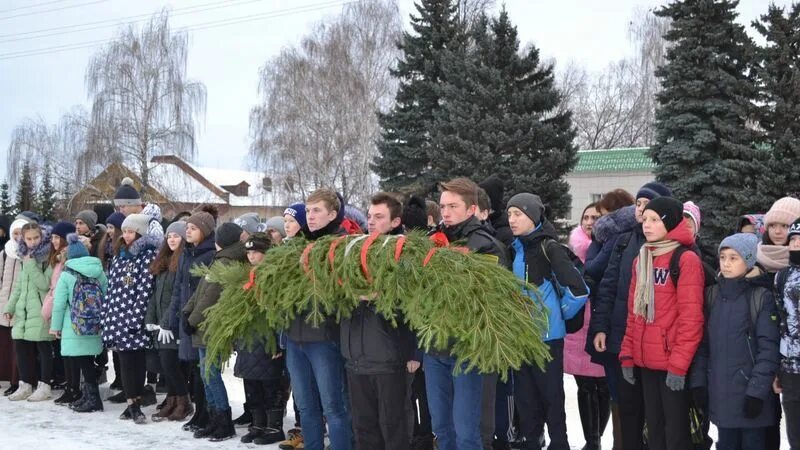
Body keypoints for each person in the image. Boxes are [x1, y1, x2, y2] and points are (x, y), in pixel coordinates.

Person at [426, 178, 509, 450]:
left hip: (467, 350)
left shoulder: (486, 245)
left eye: (453, 206)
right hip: (434, 348)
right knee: (440, 426)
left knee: (467, 430)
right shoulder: (431, 242)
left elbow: (493, 300)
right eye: (442, 206)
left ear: (472, 209)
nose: (445, 212)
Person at [591, 181, 672, 450]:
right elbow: (608, 286)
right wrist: (600, 327)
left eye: (647, 205)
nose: (640, 210)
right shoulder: (624, 241)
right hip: (621, 336)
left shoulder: (674, 248)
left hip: (656, 345)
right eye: (638, 204)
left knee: (654, 410)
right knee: (625, 406)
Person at [619, 197, 704, 450]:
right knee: (653, 430)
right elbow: (634, 314)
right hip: (646, 361)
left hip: (672, 363)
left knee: (676, 433)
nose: (647, 225)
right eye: (645, 219)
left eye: (655, 220)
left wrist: (679, 365)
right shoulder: (642, 259)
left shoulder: (685, 260)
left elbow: (691, 319)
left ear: (670, 222)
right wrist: (627, 354)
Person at [506, 193, 589, 450]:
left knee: (551, 399)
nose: (511, 219)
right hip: (520, 339)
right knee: (525, 401)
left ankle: (560, 444)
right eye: (509, 214)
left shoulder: (549, 247)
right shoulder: (514, 249)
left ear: (532, 215)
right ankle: (532, 443)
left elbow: (578, 289)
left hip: (547, 339)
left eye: (517, 214)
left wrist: (555, 316)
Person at [341, 192, 417, 450]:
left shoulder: (405, 254)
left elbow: (415, 305)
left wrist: (413, 352)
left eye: (379, 217)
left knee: (394, 426)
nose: (371, 222)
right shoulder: (354, 250)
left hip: (389, 359)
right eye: (370, 216)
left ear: (395, 222)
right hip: (356, 358)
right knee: (364, 428)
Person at [691, 233, 780, 450]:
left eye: (734, 258)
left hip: (751, 399)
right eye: (723, 257)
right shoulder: (711, 296)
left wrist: (756, 392)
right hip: (721, 396)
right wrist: (699, 383)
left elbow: (768, 350)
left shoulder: (761, 297)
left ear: (748, 261)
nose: (726, 264)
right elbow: (703, 347)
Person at [285, 188, 353, 450]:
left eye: (317, 211)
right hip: (295, 337)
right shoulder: (298, 243)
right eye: (308, 210)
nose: (310, 216)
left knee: (333, 406)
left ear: (333, 214)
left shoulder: (342, 244)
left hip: (325, 338)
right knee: (306, 406)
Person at [183, 222, 246, 442]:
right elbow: (201, 289)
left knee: (211, 375)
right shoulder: (220, 259)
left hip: (211, 326)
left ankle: (223, 421)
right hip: (203, 326)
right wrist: (187, 311)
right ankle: (213, 419)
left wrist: (192, 319)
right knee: (206, 375)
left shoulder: (226, 261)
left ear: (222, 240)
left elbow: (210, 296)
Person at [102, 213, 160, 424]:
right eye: (124, 231)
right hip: (117, 317)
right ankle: (132, 405)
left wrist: (135, 318)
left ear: (140, 232)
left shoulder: (148, 256)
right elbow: (111, 288)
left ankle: (135, 401)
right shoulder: (119, 255)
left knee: (138, 362)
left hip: (135, 318)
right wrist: (106, 314)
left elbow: (145, 289)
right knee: (125, 361)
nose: (126, 235)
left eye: (130, 231)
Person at [236, 232, 288, 445]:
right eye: (249, 252)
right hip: (249, 339)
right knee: (251, 382)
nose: (251, 256)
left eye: (256, 252)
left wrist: (277, 340)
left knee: (270, 384)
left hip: (267, 339)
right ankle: (257, 424)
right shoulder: (247, 276)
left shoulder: (275, 277)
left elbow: (279, 311)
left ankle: (273, 426)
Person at [170, 206, 218, 433]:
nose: (188, 232)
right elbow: (179, 287)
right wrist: (176, 315)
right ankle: (199, 413)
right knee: (194, 368)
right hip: (187, 317)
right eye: (187, 227)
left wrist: (193, 318)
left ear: (205, 231)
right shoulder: (187, 253)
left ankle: (206, 413)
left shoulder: (210, 256)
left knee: (203, 371)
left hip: (202, 321)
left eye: (193, 228)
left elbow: (206, 292)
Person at [566, 203, 609, 450]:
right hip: (578, 325)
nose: (590, 221)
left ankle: (598, 438)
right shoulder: (573, 252)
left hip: (600, 324)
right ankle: (591, 442)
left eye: (596, 217)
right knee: (583, 386)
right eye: (586, 217)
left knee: (602, 386)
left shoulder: (610, 250)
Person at [49, 233, 108, 413]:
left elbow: (59, 304)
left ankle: (94, 400)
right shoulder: (99, 272)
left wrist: (55, 327)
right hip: (95, 324)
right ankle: (88, 396)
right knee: (88, 361)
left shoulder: (67, 275)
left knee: (84, 363)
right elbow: (106, 297)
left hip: (74, 325)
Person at [145, 221, 193, 422]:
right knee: (167, 366)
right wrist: (151, 318)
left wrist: (167, 321)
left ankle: (184, 403)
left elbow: (178, 296)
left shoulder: (183, 260)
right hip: (161, 324)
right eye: (169, 236)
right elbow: (156, 294)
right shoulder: (163, 260)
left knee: (170, 365)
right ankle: (173, 401)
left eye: (176, 236)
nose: (172, 239)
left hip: (174, 323)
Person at [4, 222, 55, 402]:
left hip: (40, 310)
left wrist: (32, 264)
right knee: (21, 347)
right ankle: (25, 384)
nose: (33, 242)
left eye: (36, 238)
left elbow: (44, 284)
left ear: (42, 237)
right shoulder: (24, 256)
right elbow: (19, 286)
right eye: (29, 238)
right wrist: (9, 307)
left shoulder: (47, 256)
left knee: (43, 348)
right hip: (23, 311)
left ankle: (45, 385)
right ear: (23, 239)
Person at [774, 218, 800, 450]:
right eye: (793, 240)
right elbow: (780, 323)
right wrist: (779, 368)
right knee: (795, 435)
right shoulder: (781, 277)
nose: (795, 244)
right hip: (791, 369)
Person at [43, 221, 75, 401]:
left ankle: (71, 385)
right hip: (56, 307)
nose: (54, 240)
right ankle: (66, 382)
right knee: (61, 348)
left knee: (67, 350)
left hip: (64, 308)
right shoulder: (56, 258)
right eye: (53, 237)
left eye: (57, 237)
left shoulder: (67, 259)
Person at [0, 218, 29, 396]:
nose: (18, 237)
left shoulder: (29, 255)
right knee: (5, 345)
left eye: (21, 234)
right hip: (4, 304)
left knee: (18, 346)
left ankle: (17, 380)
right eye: (15, 233)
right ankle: (5, 377)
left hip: (22, 305)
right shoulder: (4, 253)